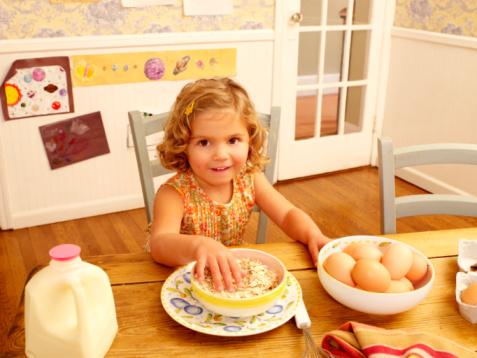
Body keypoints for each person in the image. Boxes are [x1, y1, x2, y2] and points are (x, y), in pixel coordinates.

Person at [149, 77, 331, 292]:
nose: (220, 155)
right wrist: (199, 246)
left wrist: (311, 233)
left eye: (233, 140)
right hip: (185, 284)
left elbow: (287, 214)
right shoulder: (173, 194)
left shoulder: (250, 177)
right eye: (204, 142)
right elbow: (159, 244)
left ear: (250, 140)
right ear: (184, 145)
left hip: (231, 280)